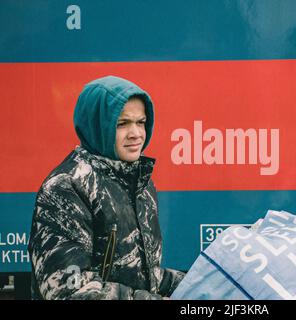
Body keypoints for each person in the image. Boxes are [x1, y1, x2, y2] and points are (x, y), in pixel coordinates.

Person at [28, 75, 185, 300]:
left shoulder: (140, 182)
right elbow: (69, 290)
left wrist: (199, 282)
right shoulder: (66, 186)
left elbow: (142, 274)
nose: (136, 133)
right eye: (122, 124)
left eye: (140, 122)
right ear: (97, 125)